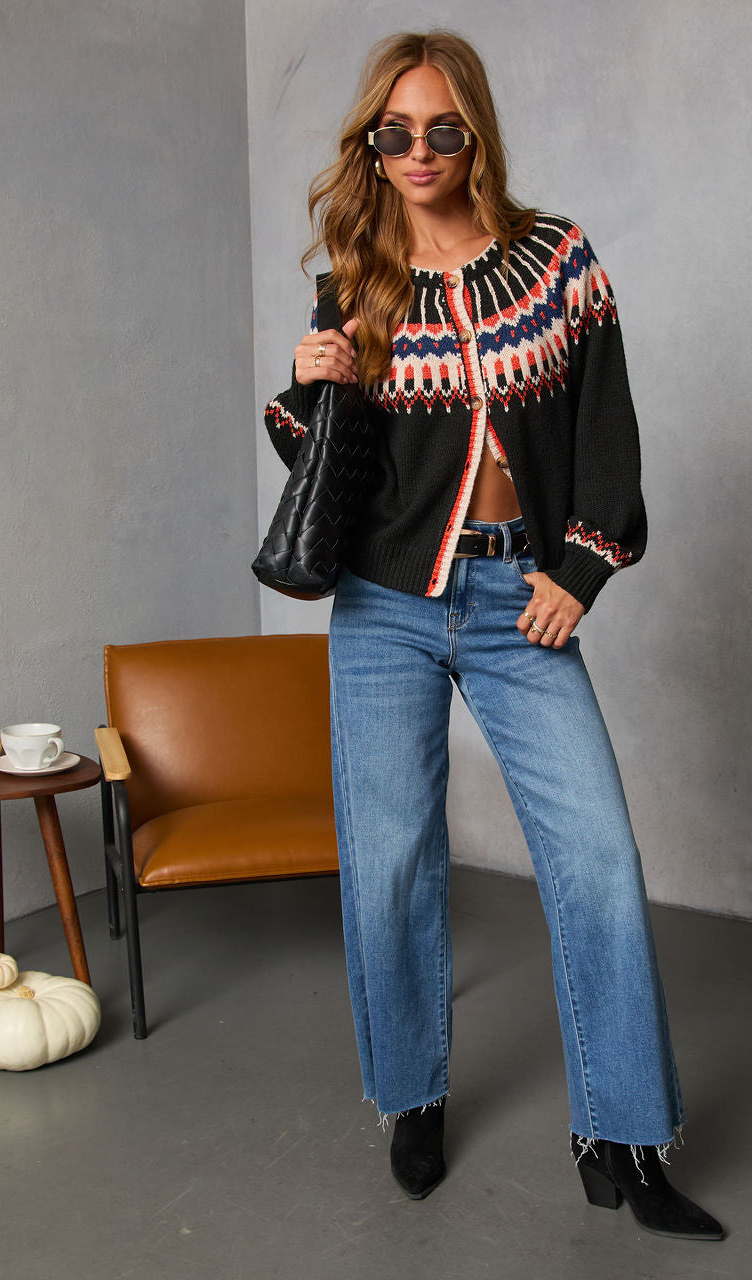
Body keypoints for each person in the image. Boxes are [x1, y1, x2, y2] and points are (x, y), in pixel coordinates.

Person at [264, 30, 724, 1242]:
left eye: (442, 130)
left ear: (475, 134)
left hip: (520, 599)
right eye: (394, 133)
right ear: (372, 145)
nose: (418, 153)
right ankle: (411, 1095)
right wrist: (310, 382)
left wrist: (583, 563)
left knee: (599, 858)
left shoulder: (554, 259)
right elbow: (328, 471)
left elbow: (606, 422)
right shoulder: (354, 280)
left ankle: (623, 1135)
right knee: (392, 861)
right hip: (384, 607)